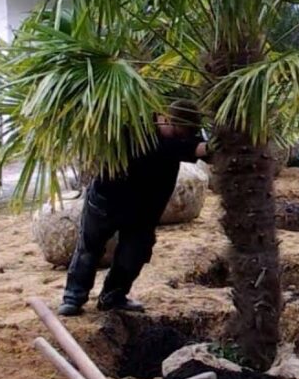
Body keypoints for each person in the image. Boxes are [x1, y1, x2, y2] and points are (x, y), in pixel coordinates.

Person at [58, 99, 208, 316]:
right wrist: (203, 148)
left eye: (186, 134)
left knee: (134, 254)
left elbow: (196, 148)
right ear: (164, 118)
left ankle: (113, 297)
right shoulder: (135, 129)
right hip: (107, 202)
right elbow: (183, 148)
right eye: (178, 133)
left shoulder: (177, 138)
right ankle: (73, 299)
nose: (182, 137)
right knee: (89, 250)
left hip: (143, 211)